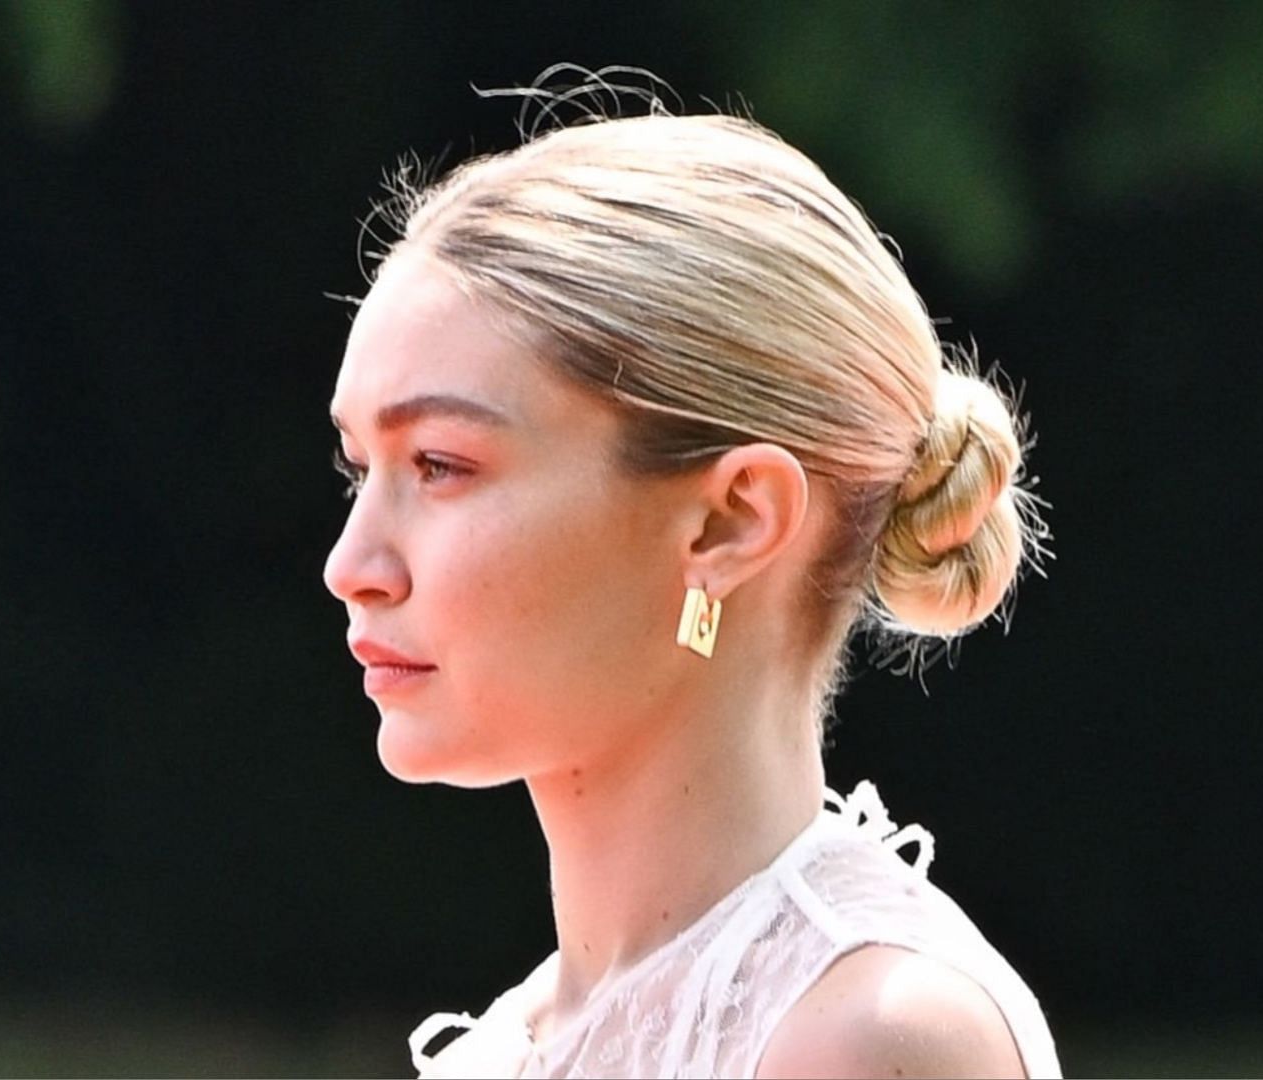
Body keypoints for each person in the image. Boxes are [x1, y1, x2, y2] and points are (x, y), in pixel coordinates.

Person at [322, 74, 1059, 1079]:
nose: (350, 566)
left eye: (441, 465)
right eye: (360, 470)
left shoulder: (870, 1038)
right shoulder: (511, 1043)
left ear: (730, 520)